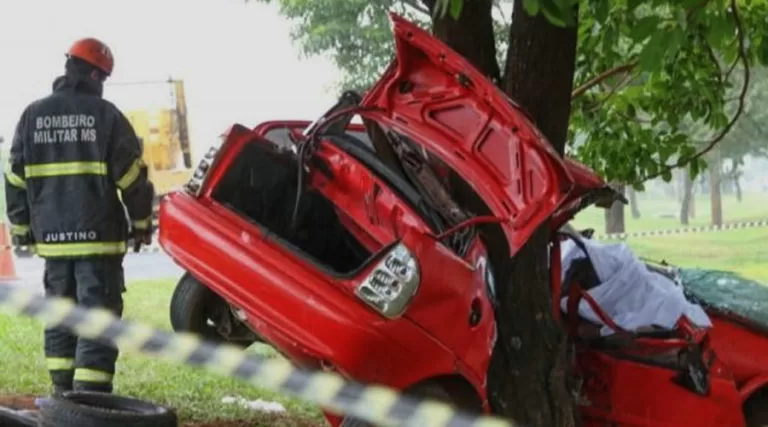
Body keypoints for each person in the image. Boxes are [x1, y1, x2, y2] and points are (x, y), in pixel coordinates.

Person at [4, 38, 155, 396]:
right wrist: (142, 224)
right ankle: (88, 401)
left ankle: (62, 396)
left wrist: (23, 231)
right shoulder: (106, 117)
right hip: (98, 241)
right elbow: (132, 179)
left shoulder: (32, 115)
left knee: (60, 316)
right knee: (97, 317)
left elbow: (14, 179)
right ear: (94, 74)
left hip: (52, 243)